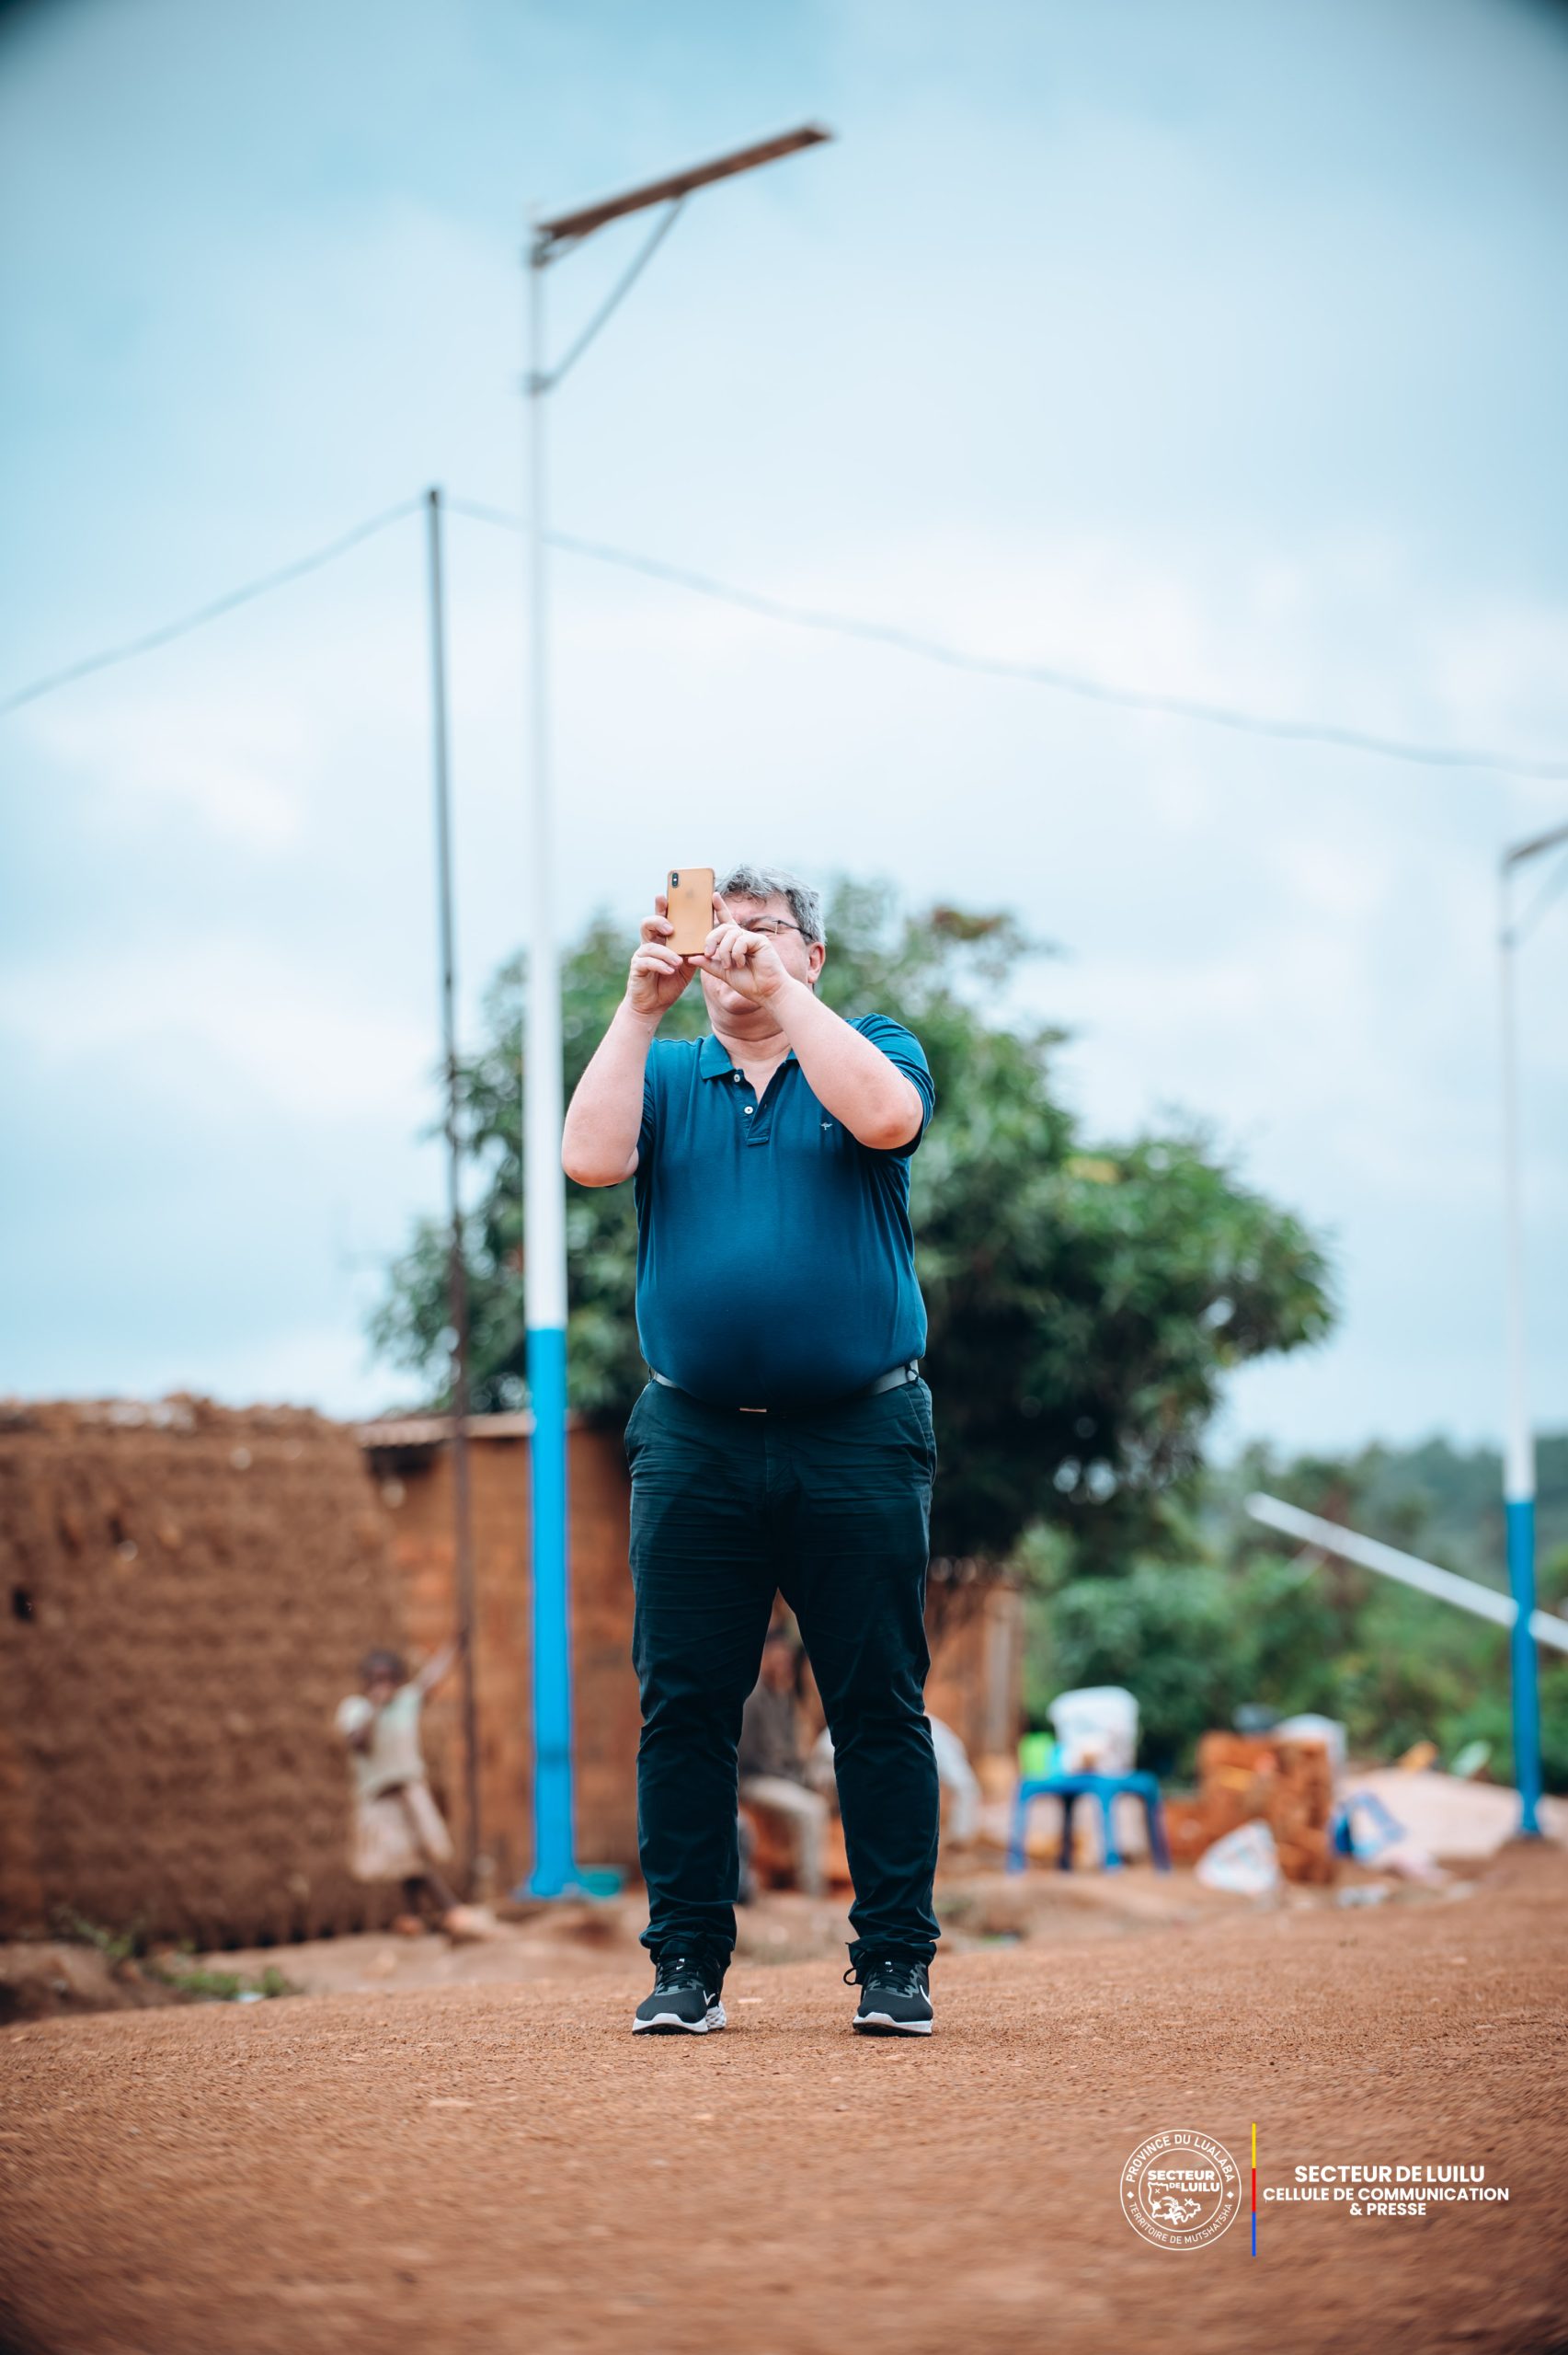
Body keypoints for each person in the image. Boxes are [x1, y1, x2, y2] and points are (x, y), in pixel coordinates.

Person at [562, 862, 941, 2037]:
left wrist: (780, 994)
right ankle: (685, 1960)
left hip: (860, 1428)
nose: (734, 946)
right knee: (683, 1707)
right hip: (695, 1436)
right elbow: (589, 1158)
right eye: (716, 929)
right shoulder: (666, 1072)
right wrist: (640, 1005)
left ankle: (895, 1961)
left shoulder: (868, 1045)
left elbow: (888, 1119)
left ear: (811, 955)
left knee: (876, 1701)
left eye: (764, 929)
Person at [334, 1640, 485, 1939]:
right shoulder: (355, 1710)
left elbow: (432, 1679)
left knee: (412, 1857)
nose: (382, 1686)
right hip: (381, 1800)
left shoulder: (406, 1702)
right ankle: (451, 1909)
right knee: (408, 1857)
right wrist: (375, 1709)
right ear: (365, 1681)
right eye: (376, 1679)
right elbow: (358, 1743)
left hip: (411, 1794)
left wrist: (455, 1647)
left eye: (388, 1679)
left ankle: (412, 1916)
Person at [738, 1626, 829, 1899]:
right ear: (764, 1656)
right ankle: (814, 1890)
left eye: (785, 1658)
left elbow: (790, 1752)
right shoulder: (751, 1697)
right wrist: (787, 1776)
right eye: (777, 1657)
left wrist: (801, 1775)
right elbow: (746, 1757)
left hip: (783, 1778)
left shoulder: (784, 1696)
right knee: (812, 1811)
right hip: (754, 1781)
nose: (782, 1663)